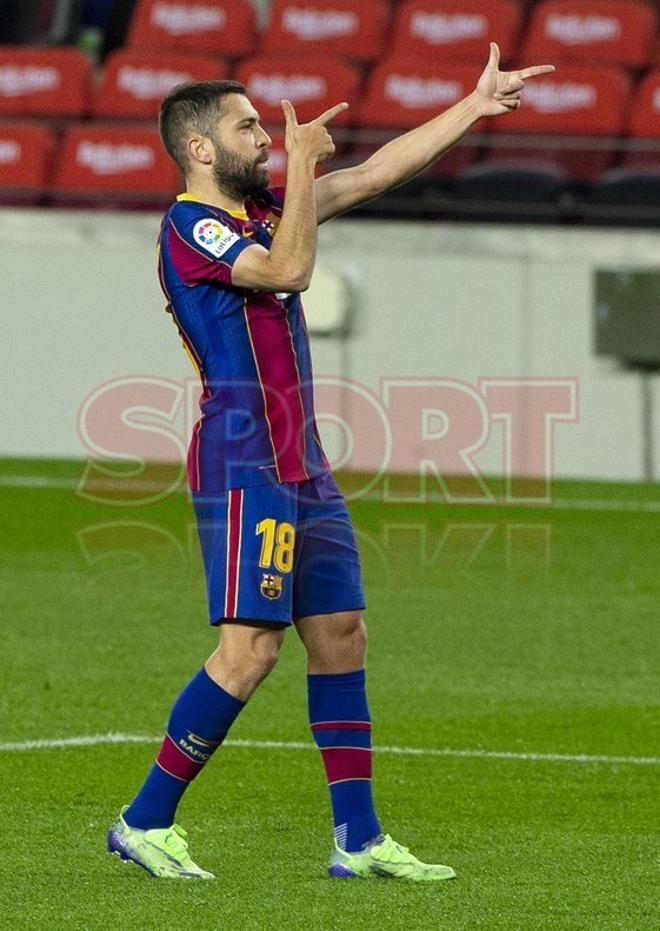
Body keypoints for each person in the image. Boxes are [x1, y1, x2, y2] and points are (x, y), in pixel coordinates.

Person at [107, 43, 554, 881]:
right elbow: (291, 269)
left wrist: (473, 105)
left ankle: (358, 838)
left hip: (300, 462)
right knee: (250, 653)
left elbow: (379, 171)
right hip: (243, 458)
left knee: (343, 636)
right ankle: (144, 820)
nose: (266, 137)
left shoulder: (268, 209)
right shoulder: (191, 225)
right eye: (247, 126)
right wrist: (308, 169)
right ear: (200, 150)